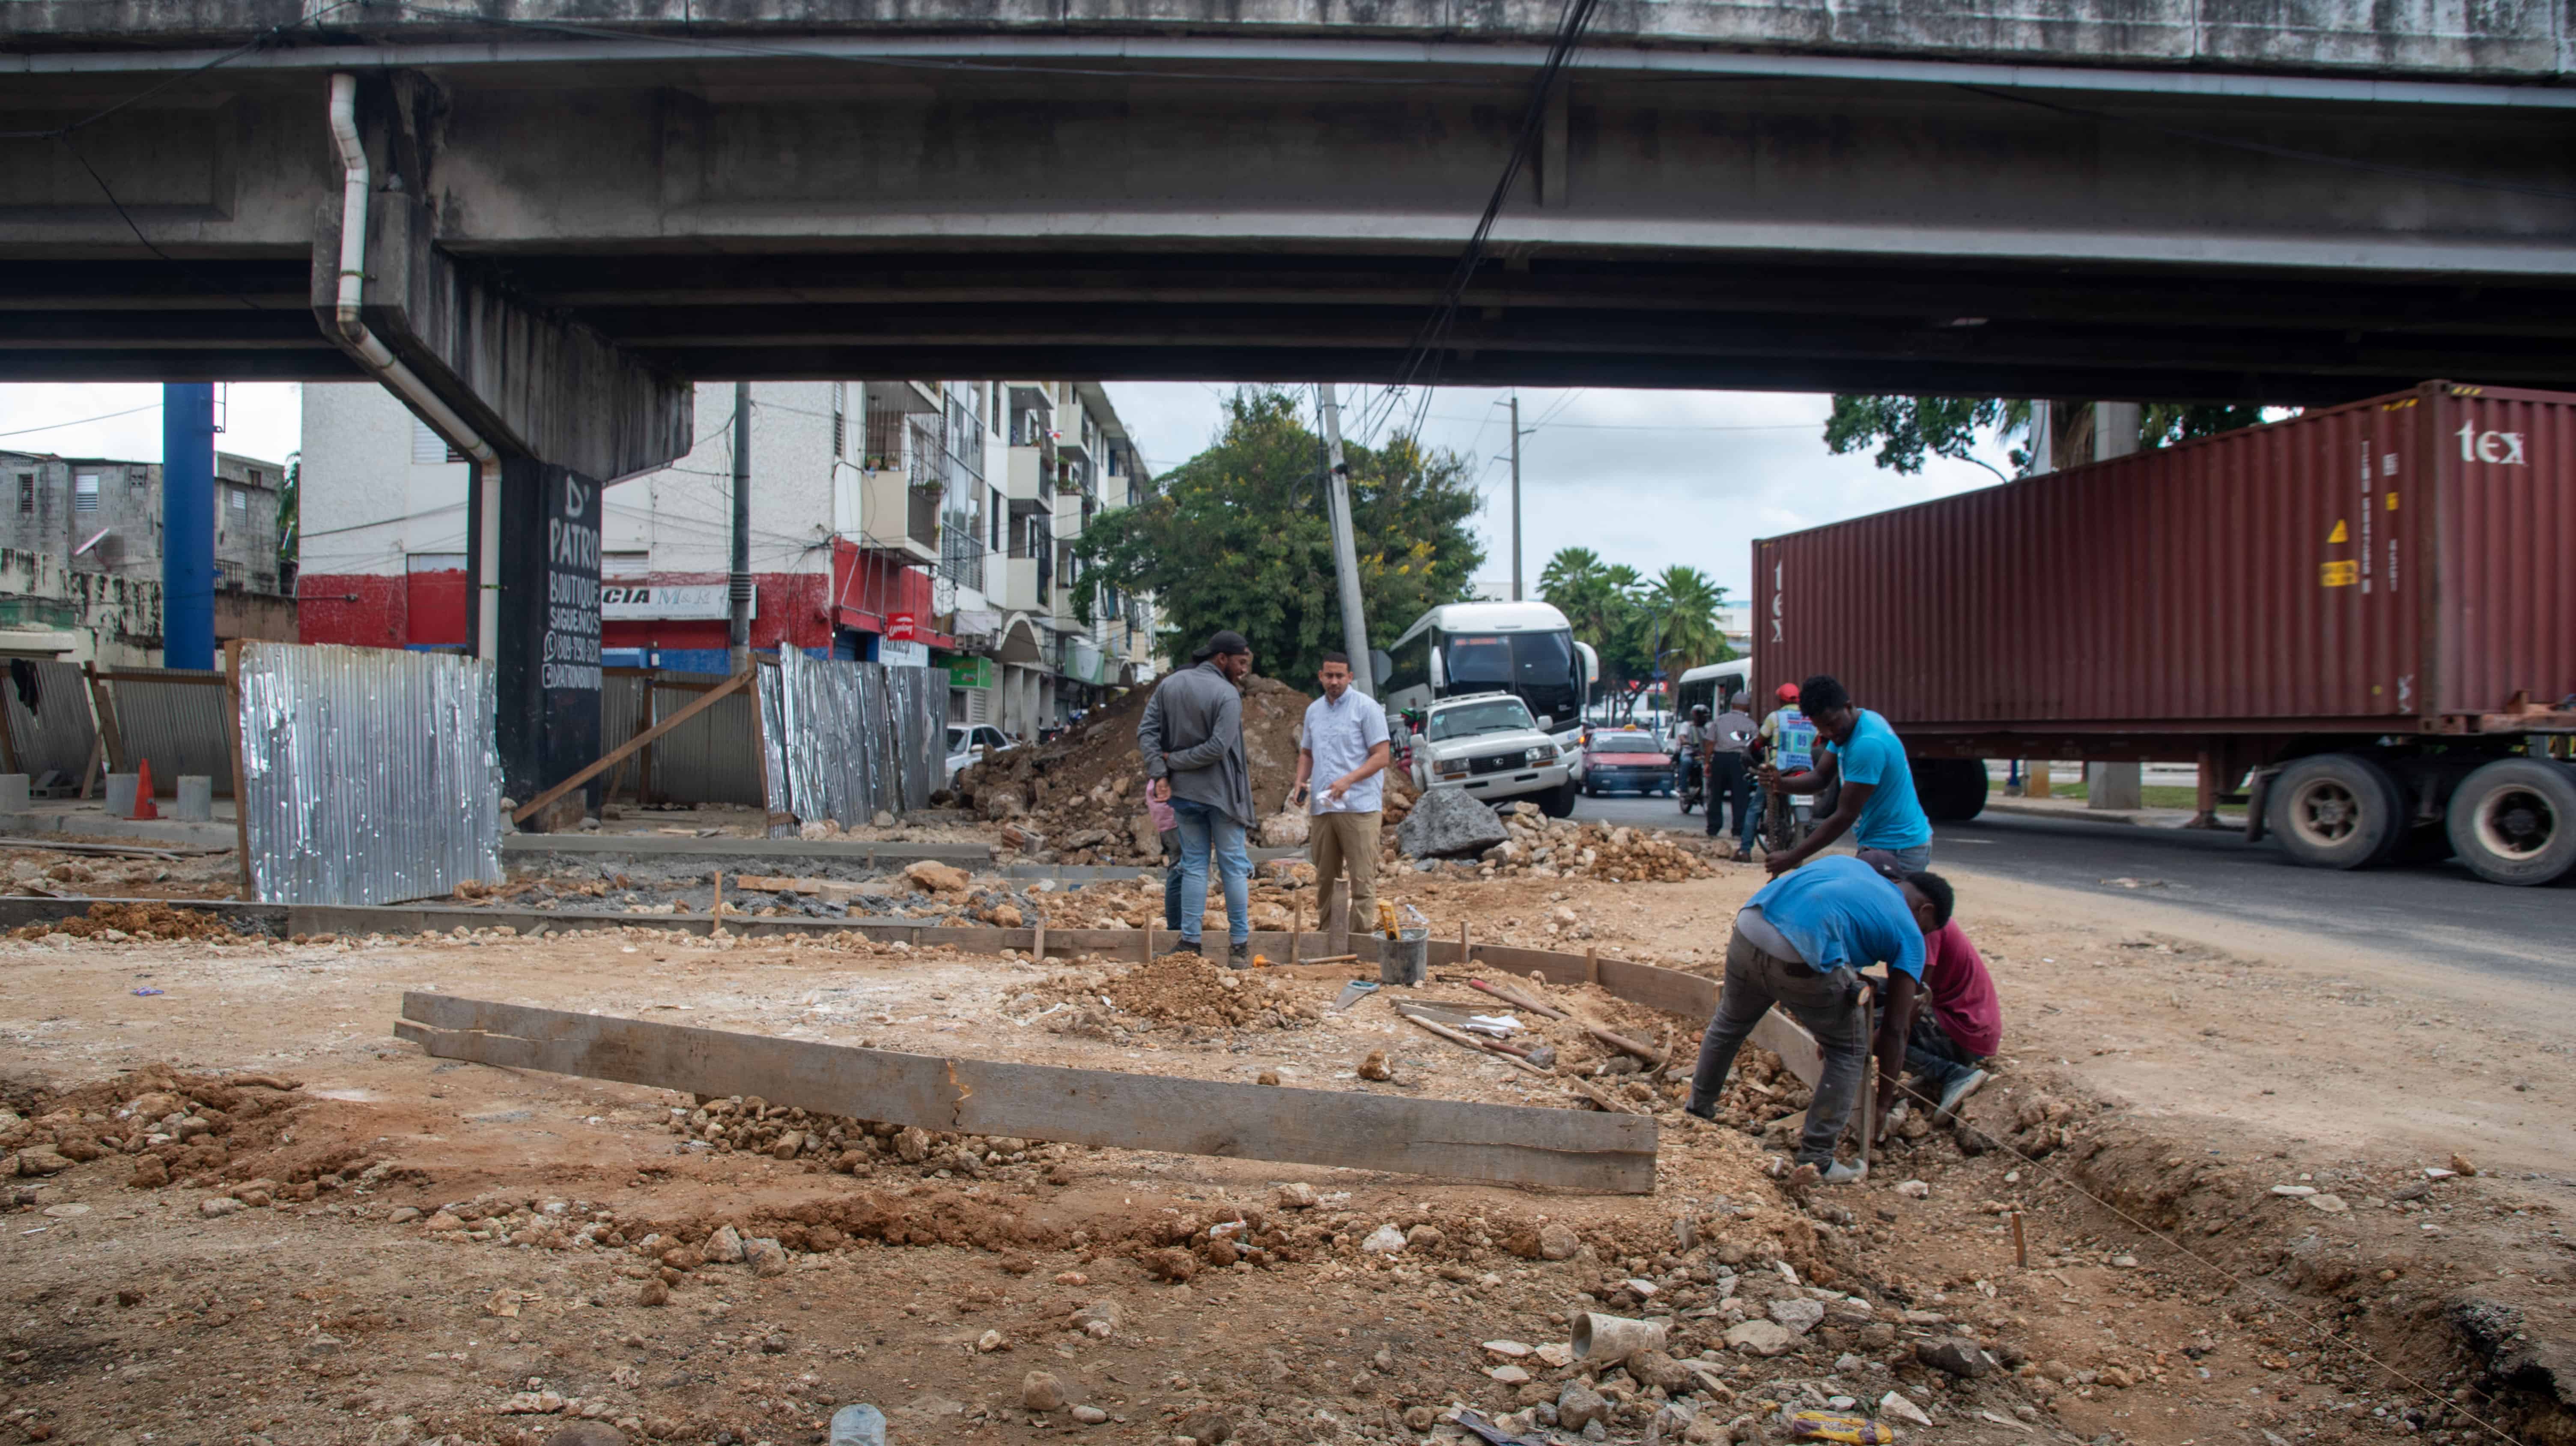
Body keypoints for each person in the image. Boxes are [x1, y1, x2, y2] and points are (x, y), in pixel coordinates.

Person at [1685, 854, 1954, 1183]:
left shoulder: (1852, 867)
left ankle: (1697, 1111)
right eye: (1929, 929)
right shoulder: (1911, 933)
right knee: (1849, 1050)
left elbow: (1832, 921)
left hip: (1750, 927)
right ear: (1926, 911)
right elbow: (1897, 1029)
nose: (1924, 934)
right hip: (1799, 954)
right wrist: (1883, 1104)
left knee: (1730, 1022)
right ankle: (1818, 1159)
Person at [1853, 851, 1998, 1127]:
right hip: (1950, 1010)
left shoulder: (1924, 929)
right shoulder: (1913, 913)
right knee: (1867, 998)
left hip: (1966, 1029)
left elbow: (1911, 1003)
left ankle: (1953, 1074)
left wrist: (1865, 1044)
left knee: (1868, 1028)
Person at [1139, 630, 1257, 965]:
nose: (1244, 669)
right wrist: (1170, 763)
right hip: (1223, 796)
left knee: (1193, 866)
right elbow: (1219, 748)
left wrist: (1162, 770)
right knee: (1233, 866)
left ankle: (1190, 944)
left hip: (1184, 795)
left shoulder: (1170, 685)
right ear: (1222, 659)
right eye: (1241, 662)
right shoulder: (1228, 695)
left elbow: (1146, 731)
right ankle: (1239, 948)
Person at [1759, 674, 1934, 875]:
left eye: (1830, 724)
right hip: (1879, 843)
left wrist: (1793, 857)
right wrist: (1780, 783)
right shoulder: (1847, 728)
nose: (1827, 733)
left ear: (1848, 707)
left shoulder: (1867, 744)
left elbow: (1844, 815)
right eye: (1819, 728)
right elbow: (1820, 778)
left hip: (1900, 849)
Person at [1291, 652, 1393, 942]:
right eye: (1329, 676)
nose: (1334, 681)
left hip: (1359, 806)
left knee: (1362, 880)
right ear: (1320, 676)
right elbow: (1307, 753)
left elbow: (1382, 756)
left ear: (1350, 677)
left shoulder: (1367, 709)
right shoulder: (1314, 711)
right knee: (1326, 878)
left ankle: (1358, 940)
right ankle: (1327, 937)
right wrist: (1300, 782)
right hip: (1324, 808)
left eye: (1340, 676)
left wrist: (1348, 780)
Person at [1707, 689, 1758, 853]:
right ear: (1747, 707)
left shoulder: (1720, 720)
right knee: (1740, 796)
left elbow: (1709, 742)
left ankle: (1713, 828)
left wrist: (1707, 762)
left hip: (1720, 759)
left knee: (1716, 795)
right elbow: (1756, 744)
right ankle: (1738, 830)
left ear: (1732, 705)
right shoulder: (1751, 724)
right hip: (1740, 761)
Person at [1673, 704, 1711, 805]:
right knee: (1686, 763)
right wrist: (1685, 742)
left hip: (1703, 755)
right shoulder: (1687, 725)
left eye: (1705, 716)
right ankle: (1683, 790)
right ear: (1695, 716)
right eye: (1702, 716)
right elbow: (1682, 736)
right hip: (1689, 753)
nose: (1704, 718)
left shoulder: (1707, 729)